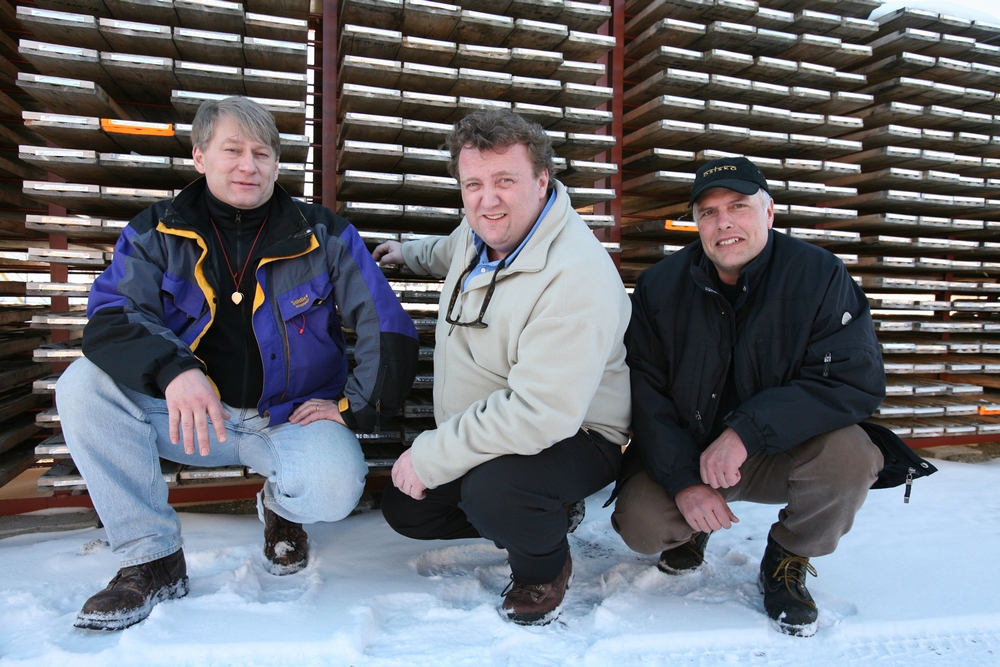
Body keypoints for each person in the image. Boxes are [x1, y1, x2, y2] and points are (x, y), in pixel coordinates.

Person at [56, 96, 418, 631]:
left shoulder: (325, 234)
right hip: (190, 417)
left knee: (335, 488)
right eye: (233, 150)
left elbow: (385, 322)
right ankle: (150, 557)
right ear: (201, 157)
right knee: (82, 385)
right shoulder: (155, 232)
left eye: (262, 152)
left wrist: (354, 404)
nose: (249, 165)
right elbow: (111, 315)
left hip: (287, 418)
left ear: (276, 163)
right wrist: (174, 369)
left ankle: (282, 510)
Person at [371, 109, 631, 626]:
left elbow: (541, 412)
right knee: (408, 509)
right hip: (497, 423)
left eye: (505, 181)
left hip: (579, 430)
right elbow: (450, 248)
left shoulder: (575, 276)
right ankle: (544, 513)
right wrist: (408, 253)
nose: (487, 200)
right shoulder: (484, 231)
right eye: (473, 184)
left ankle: (543, 567)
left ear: (541, 180)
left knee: (496, 493)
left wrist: (432, 455)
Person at [612, 156, 889, 637]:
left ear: (769, 212)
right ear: (696, 223)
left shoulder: (819, 276)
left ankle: (788, 555)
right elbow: (645, 395)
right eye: (708, 212)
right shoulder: (660, 286)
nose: (724, 223)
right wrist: (683, 481)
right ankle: (696, 525)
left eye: (738, 206)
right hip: (692, 450)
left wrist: (747, 429)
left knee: (851, 456)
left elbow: (854, 381)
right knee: (641, 524)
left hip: (780, 451)